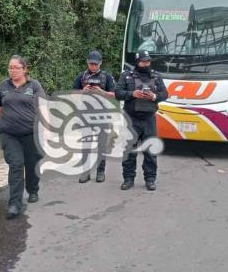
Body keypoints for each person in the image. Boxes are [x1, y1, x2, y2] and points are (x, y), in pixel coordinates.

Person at [0, 55, 44, 219]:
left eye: (16, 67)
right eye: (10, 67)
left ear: (24, 69)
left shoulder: (34, 86)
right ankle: (14, 204)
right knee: (16, 165)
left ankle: (33, 189)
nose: (12, 70)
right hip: (9, 134)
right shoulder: (3, 86)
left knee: (32, 164)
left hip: (31, 133)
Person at [115, 50, 168, 191]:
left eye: (148, 61)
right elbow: (117, 93)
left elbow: (165, 94)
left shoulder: (156, 76)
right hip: (131, 119)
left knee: (150, 151)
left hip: (149, 119)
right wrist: (132, 93)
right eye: (143, 61)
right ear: (137, 62)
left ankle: (150, 179)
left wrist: (154, 96)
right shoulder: (126, 76)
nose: (146, 64)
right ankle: (128, 179)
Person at [72, 49, 116, 183]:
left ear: (100, 63)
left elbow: (115, 95)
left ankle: (100, 172)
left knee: (101, 145)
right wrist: (82, 91)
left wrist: (102, 92)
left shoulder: (107, 77)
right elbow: (72, 95)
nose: (93, 66)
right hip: (86, 115)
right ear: (87, 62)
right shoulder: (81, 76)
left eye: (96, 64)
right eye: (91, 64)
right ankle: (85, 172)